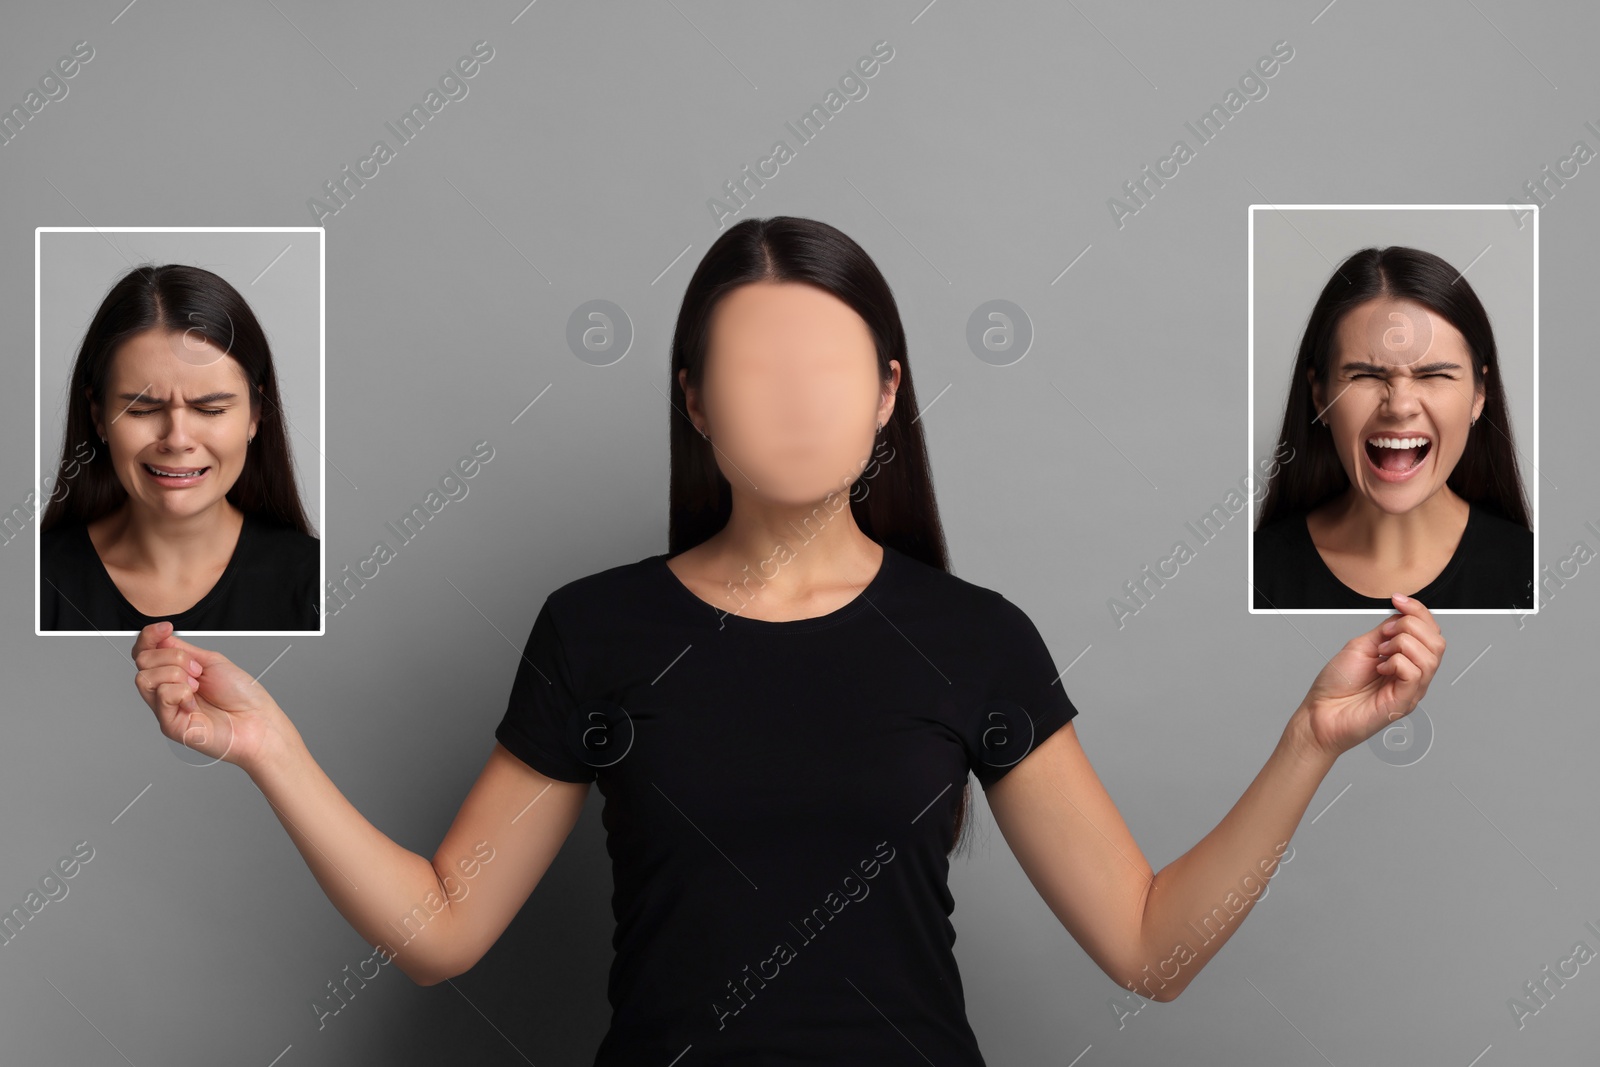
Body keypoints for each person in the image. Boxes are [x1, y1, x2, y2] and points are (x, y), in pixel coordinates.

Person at [128, 218, 1445, 1064]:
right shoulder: (598, 628)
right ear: (696, 402)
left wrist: (1309, 743)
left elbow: (1151, 946)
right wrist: (270, 746)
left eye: (834, 369)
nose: (797, 403)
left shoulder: (970, 638)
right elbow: (444, 927)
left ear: (886, 396)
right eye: (754, 372)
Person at [40, 263, 320, 632]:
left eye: (210, 409)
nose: (177, 439)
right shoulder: (33, 581)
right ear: (98, 416)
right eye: (142, 410)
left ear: (255, 415)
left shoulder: (317, 582)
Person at [1253, 245, 1534, 610]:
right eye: (1365, 375)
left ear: (1479, 396)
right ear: (1321, 397)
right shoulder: (1253, 573)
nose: (1399, 407)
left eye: (1434, 375)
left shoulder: (1533, 573)